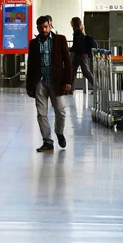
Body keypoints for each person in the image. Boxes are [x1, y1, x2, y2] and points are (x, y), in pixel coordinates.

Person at [26, 16, 72, 153]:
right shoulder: (34, 43)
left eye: (45, 27)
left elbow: (67, 62)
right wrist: (29, 86)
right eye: (40, 28)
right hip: (40, 82)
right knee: (41, 113)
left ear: (50, 26)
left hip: (56, 81)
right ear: (37, 28)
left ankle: (59, 132)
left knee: (60, 111)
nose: (43, 30)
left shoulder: (60, 40)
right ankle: (47, 141)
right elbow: (31, 65)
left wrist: (68, 81)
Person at [69, 17, 94, 93]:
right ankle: (71, 89)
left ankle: (96, 86)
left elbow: (76, 45)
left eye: (72, 22)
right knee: (73, 72)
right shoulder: (79, 32)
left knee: (85, 72)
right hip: (80, 55)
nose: (71, 23)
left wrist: (69, 49)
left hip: (81, 55)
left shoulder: (77, 33)